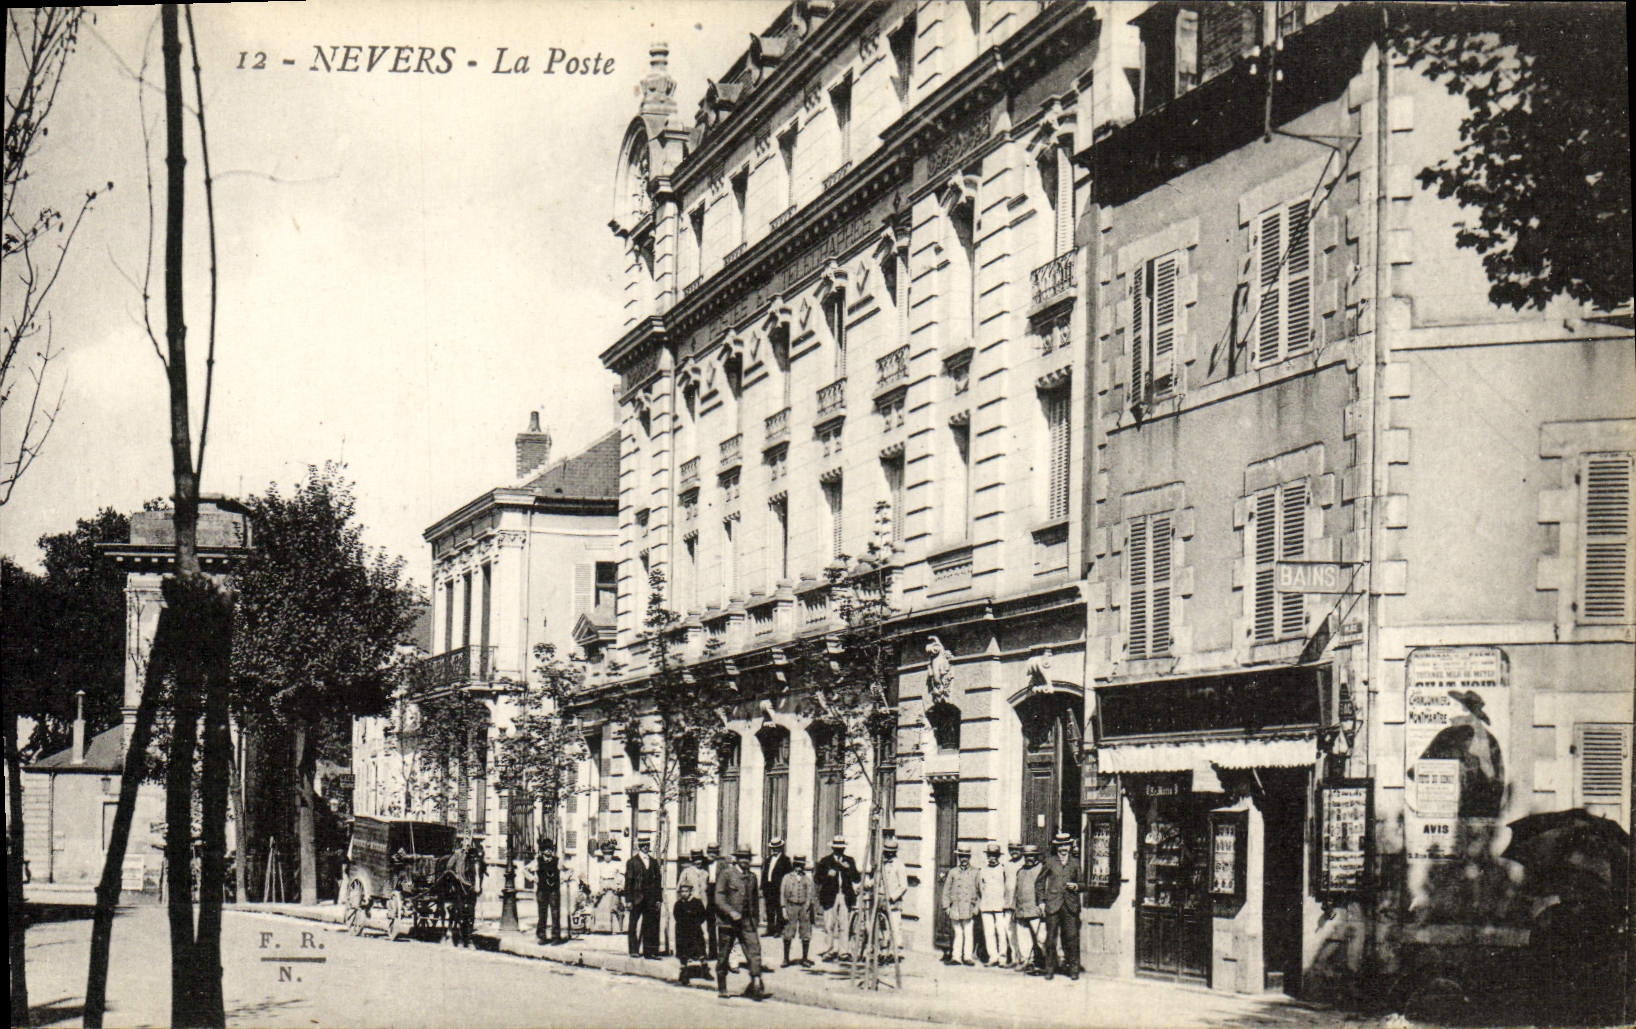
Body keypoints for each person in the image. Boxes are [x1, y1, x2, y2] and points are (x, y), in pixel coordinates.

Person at [714, 845, 768, 1000]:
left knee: (754, 950)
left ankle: (756, 983)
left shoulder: (752, 877)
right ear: (736, 859)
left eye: (748, 858)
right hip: (728, 922)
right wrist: (730, 912)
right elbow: (719, 897)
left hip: (747, 921)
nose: (746, 861)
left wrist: (756, 919)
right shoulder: (726, 874)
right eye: (742, 857)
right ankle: (722, 986)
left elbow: (755, 901)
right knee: (724, 954)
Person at [1038, 832, 1081, 981]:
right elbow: (1039, 883)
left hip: (1070, 906)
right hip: (1053, 905)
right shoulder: (1050, 861)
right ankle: (1049, 970)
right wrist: (1042, 902)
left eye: (1066, 845)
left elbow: (1083, 883)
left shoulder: (1075, 863)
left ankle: (1073, 969)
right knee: (1050, 939)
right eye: (1060, 846)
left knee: (1072, 938)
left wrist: (1076, 886)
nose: (1063, 848)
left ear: (1070, 846)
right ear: (1056, 847)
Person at [814, 835, 860, 961]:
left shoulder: (849, 861)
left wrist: (848, 869)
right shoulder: (825, 861)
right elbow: (817, 879)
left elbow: (857, 878)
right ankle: (829, 950)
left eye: (841, 849)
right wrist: (827, 874)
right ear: (833, 849)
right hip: (830, 897)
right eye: (837, 849)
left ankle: (843, 952)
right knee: (829, 925)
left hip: (845, 896)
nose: (839, 851)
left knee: (844, 925)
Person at [675, 849, 711, 984]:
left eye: (700, 859)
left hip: (701, 908)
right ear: (692, 860)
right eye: (696, 859)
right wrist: (683, 903)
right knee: (686, 941)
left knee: (701, 938)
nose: (698, 861)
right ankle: (684, 969)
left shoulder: (705, 873)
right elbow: (680, 888)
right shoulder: (686, 872)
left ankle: (704, 967)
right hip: (687, 909)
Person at [625, 834, 663, 958]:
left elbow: (658, 882)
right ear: (639, 847)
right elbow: (628, 882)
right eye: (643, 845)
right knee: (633, 924)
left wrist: (658, 899)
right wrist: (628, 900)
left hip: (650, 898)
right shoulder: (632, 862)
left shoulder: (653, 862)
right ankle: (634, 950)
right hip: (636, 898)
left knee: (650, 924)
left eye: (647, 845)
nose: (645, 847)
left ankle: (650, 951)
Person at [943, 845, 981, 965]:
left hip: (969, 908)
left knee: (968, 932)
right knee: (958, 933)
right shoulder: (953, 872)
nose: (963, 859)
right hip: (955, 907)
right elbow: (946, 890)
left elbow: (981, 892)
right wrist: (946, 907)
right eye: (961, 856)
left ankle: (967, 957)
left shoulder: (975, 872)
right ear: (959, 857)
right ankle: (956, 957)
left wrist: (977, 907)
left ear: (969, 857)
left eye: (966, 857)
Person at [779, 854, 818, 968]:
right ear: (793, 865)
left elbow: (810, 894)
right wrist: (783, 908)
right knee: (788, 932)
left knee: (805, 933)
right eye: (797, 865)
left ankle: (804, 958)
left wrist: (807, 907)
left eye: (801, 865)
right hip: (790, 906)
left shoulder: (807, 879)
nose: (799, 868)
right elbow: (782, 894)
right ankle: (786, 959)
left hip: (803, 908)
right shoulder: (787, 877)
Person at [977, 842, 1012, 968]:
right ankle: (993, 956)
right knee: (989, 932)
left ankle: (1003, 958)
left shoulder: (1003, 869)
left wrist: (1005, 903)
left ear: (998, 857)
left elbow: (1007, 887)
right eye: (990, 856)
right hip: (986, 905)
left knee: (1001, 932)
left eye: (994, 856)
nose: (992, 858)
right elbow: (980, 887)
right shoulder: (983, 870)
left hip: (1000, 906)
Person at [1012, 844, 1044, 973]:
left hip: (1036, 910)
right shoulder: (1020, 871)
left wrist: (1043, 906)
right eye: (1026, 856)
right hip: (1021, 910)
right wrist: (1015, 908)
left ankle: (1046, 963)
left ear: (1036, 857)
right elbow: (1016, 890)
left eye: (1031, 856)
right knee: (1023, 939)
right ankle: (1026, 961)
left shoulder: (1042, 869)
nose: (1028, 858)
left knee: (1041, 939)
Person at [879, 840, 907, 959]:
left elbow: (904, 886)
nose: (888, 854)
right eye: (887, 852)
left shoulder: (899, 865)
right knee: (882, 928)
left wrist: (892, 897)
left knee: (895, 927)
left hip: (893, 901)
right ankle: (883, 951)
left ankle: (895, 952)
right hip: (881, 900)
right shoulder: (881, 864)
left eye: (891, 852)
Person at [761, 836, 791, 938]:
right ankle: (770, 929)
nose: (774, 850)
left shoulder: (785, 860)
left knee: (779, 909)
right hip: (768, 887)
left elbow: (788, 876)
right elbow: (765, 873)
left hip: (779, 888)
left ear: (780, 848)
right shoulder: (768, 859)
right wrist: (762, 887)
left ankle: (779, 930)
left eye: (776, 848)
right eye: (773, 848)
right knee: (769, 909)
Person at [535, 835, 563, 944]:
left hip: (554, 891)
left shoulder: (557, 861)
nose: (549, 851)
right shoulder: (538, 861)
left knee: (555, 913)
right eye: (546, 849)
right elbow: (526, 870)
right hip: (542, 890)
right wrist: (533, 878)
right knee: (542, 913)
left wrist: (565, 877)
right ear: (542, 851)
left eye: (550, 849)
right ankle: (542, 936)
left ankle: (556, 937)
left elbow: (568, 870)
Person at [705, 842, 726, 960]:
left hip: (720, 894)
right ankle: (712, 952)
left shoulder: (723, 865)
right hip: (709, 894)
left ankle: (722, 953)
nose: (712, 855)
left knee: (722, 924)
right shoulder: (704, 864)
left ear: (718, 853)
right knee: (710, 924)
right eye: (710, 852)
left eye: (714, 852)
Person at [1004, 841, 1023, 967]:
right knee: (1010, 931)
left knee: (1021, 932)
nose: (1014, 851)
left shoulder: (1024, 864)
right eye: (1011, 849)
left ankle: (1024, 959)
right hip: (1008, 903)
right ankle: (1015, 958)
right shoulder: (1007, 864)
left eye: (1017, 849)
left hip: (1020, 904)